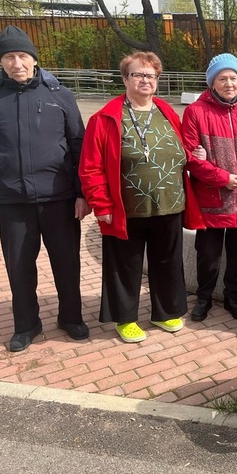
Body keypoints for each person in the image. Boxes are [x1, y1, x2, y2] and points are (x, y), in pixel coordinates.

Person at [0, 25, 90, 352]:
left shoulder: (60, 94)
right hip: (12, 200)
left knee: (67, 263)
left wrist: (82, 193)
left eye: (23, 56)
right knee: (19, 268)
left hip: (59, 198)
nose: (17, 63)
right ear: (1, 62)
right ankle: (26, 325)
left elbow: (79, 146)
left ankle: (71, 317)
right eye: (9, 57)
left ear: (34, 59)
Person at [79, 52, 205, 343]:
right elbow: (91, 167)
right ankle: (125, 319)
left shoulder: (166, 112)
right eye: (138, 74)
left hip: (169, 204)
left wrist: (193, 153)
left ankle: (165, 312)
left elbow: (177, 149)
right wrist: (101, 204)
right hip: (127, 209)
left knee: (167, 262)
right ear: (125, 79)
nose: (145, 80)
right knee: (126, 266)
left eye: (151, 75)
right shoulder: (105, 118)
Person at [181, 53, 237, 322]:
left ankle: (233, 297)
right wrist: (222, 178)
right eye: (222, 78)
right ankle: (204, 297)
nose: (229, 83)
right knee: (207, 256)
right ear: (212, 82)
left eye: (233, 78)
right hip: (211, 199)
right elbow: (190, 158)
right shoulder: (196, 112)